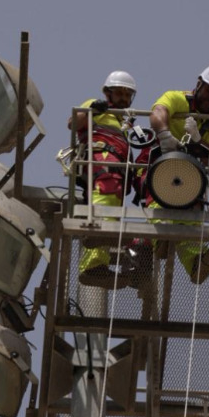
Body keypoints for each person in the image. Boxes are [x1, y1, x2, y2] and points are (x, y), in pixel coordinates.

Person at [138, 64, 209, 284]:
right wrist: (164, 135)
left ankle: (196, 262)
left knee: (191, 218)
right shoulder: (177, 99)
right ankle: (150, 247)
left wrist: (198, 141)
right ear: (199, 84)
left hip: (190, 175)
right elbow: (158, 113)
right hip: (159, 166)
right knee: (159, 206)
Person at [69, 71, 137, 288]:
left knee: (112, 211)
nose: (124, 99)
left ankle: (96, 267)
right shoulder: (95, 106)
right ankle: (92, 262)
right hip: (101, 160)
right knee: (107, 193)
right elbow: (73, 123)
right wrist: (93, 109)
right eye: (119, 93)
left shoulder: (121, 122)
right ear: (108, 93)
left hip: (115, 167)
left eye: (128, 95)